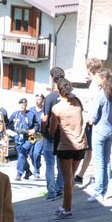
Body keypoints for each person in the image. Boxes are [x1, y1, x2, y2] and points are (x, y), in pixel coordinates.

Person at [47, 76, 89, 219]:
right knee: (71, 177)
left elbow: (52, 131)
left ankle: (68, 210)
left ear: (59, 91)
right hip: (81, 144)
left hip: (66, 145)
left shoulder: (57, 108)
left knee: (67, 179)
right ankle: (64, 205)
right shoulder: (77, 102)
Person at [89, 70, 112, 200]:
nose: (95, 80)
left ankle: (98, 191)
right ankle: (104, 190)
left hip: (100, 130)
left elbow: (95, 116)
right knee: (107, 161)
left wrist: (90, 120)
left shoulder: (100, 94)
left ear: (103, 79)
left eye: (97, 78)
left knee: (99, 162)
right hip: (110, 130)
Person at [38, 69, 65, 201]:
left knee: (49, 164)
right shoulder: (68, 96)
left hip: (50, 135)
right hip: (64, 135)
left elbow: (45, 118)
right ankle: (60, 189)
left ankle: (51, 192)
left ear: (52, 79)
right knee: (61, 164)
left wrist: (42, 130)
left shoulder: (50, 97)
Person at [8, 96, 40, 182]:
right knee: (20, 156)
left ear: (26, 105)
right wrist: (11, 132)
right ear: (19, 105)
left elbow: (37, 125)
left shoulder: (31, 114)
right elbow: (8, 124)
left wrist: (34, 130)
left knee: (22, 153)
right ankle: (28, 171)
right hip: (18, 138)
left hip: (30, 137)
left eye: (24, 105)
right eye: (21, 105)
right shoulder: (15, 114)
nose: (23, 106)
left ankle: (19, 173)